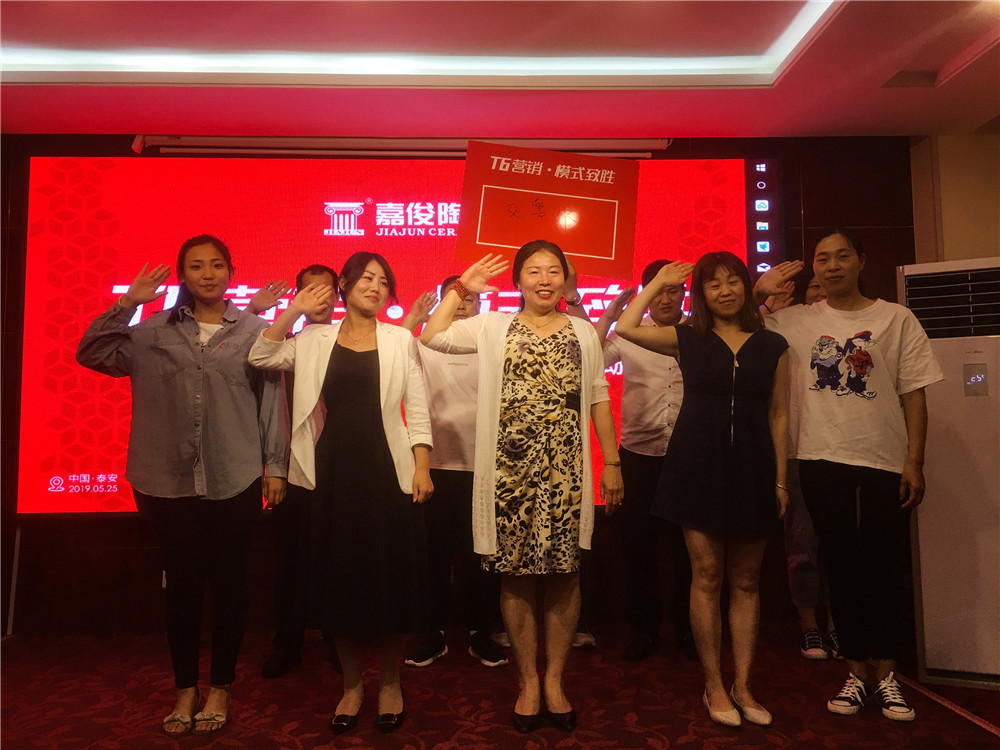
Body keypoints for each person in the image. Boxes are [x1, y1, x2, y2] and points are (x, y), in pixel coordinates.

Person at [76, 234, 289, 735]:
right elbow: (92, 352)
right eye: (196, 266)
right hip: (166, 478)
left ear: (231, 272)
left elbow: (271, 402)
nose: (208, 274)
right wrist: (127, 303)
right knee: (183, 588)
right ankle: (185, 690)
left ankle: (221, 686)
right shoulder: (151, 332)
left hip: (234, 474)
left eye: (216, 265)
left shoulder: (257, 331)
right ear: (182, 275)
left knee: (230, 584)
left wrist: (276, 466)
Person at [419, 241, 624, 733]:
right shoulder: (492, 326)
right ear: (517, 281)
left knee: (564, 575)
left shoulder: (582, 331)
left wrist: (612, 461)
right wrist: (462, 287)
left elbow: (598, 397)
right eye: (534, 271)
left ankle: (555, 680)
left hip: (566, 472)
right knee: (515, 576)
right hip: (508, 475)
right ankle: (528, 682)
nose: (545, 280)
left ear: (566, 281)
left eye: (554, 271)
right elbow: (433, 335)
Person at [756, 229, 942, 721]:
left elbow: (915, 393)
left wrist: (915, 461)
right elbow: (731, 328)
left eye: (842, 256)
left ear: (861, 260)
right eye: (822, 258)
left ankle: (888, 673)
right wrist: (760, 290)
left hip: (884, 459)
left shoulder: (895, 318)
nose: (832, 265)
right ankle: (857, 672)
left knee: (884, 565)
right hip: (819, 458)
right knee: (840, 565)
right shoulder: (795, 320)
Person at [248, 251, 433, 735]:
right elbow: (261, 355)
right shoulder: (314, 338)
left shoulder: (399, 339)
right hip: (330, 470)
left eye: (384, 282)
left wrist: (422, 466)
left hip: (389, 470)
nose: (376, 287)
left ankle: (389, 682)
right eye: (366, 278)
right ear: (344, 285)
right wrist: (293, 309)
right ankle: (352, 686)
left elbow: (417, 407)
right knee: (340, 582)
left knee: (391, 581)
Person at [615, 252, 789, 728]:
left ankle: (744, 685)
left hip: (753, 467)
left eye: (734, 281)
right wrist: (657, 284)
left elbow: (778, 413)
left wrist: (780, 479)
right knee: (706, 576)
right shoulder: (687, 338)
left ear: (746, 286)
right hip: (695, 467)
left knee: (747, 581)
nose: (725, 291)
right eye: (714, 284)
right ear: (702, 295)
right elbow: (626, 328)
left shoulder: (773, 343)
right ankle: (713, 684)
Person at [402, 276, 508, 670]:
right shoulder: (422, 344)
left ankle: (482, 633)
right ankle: (433, 633)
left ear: (481, 306)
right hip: (433, 468)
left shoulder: (492, 344)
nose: (462, 304)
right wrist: (413, 318)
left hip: (486, 468)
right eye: (455, 297)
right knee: (433, 558)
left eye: (470, 298)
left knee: (483, 557)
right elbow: (387, 355)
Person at [596, 260, 695, 662]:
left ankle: (690, 630)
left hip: (689, 456)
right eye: (658, 291)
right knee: (639, 548)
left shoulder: (700, 333)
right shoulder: (630, 333)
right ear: (647, 294)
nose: (666, 299)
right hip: (638, 455)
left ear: (685, 293)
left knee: (692, 550)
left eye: (674, 290)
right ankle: (644, 630)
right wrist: (608, 316)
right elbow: (589, 361)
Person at [258, 264, 340, 679]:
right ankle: (287, 642)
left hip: (341, 468)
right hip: (292, 469)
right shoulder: (287, 346)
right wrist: (274, 467)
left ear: (339, 296)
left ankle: (339, 640)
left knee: (339, 560)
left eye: (327, 291)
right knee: (290, 561)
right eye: (310, 291)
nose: (320, 298)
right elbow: (260, 362)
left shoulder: (353, 343)